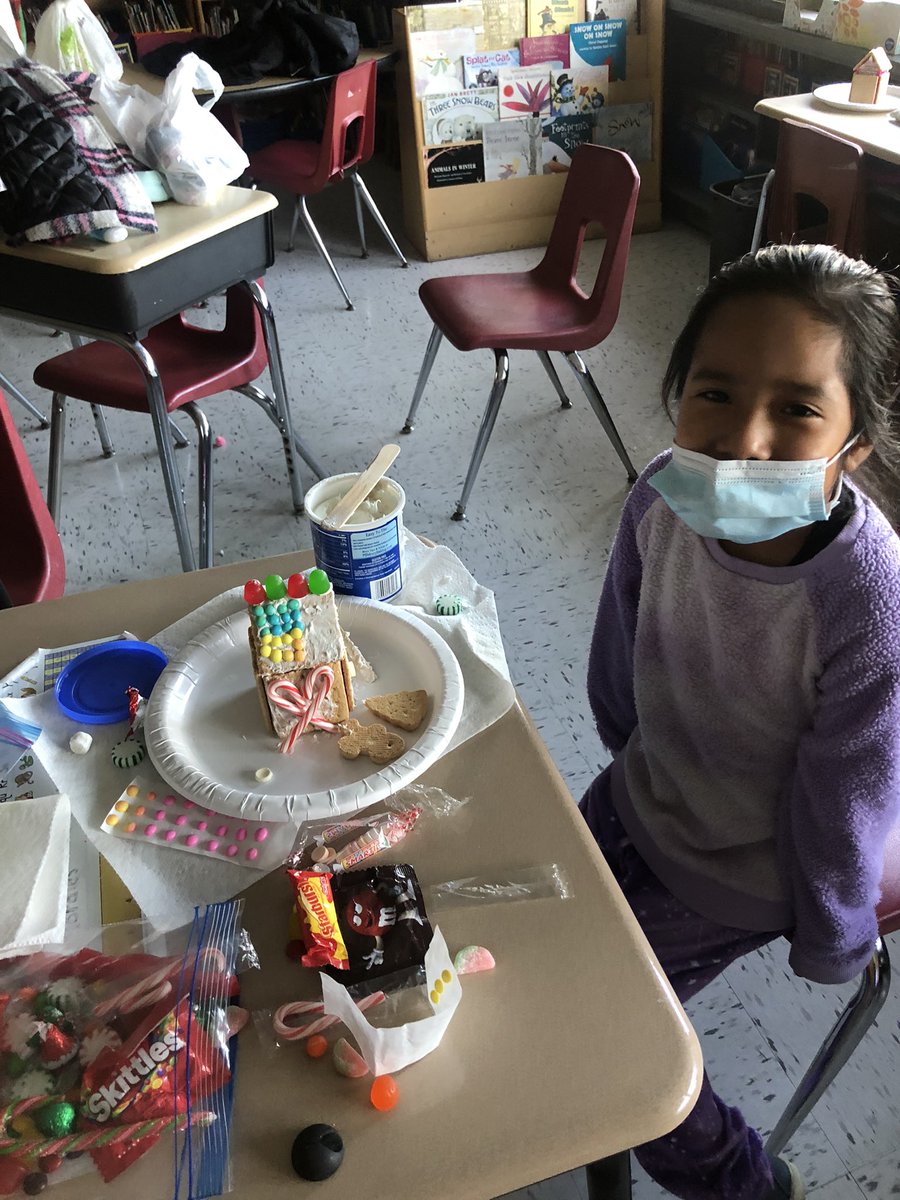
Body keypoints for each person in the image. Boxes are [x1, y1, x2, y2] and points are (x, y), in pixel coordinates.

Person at [580, 243, 900, 1200]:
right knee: (543, 937)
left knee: (618, 1047)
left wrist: (834, 935)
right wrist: (624, 748)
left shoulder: (866, 598)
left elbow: (850, 792)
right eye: (712, 394)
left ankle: (745, 1183)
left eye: (797, 409)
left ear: (854, 448)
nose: (741, 440)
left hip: (739, 867)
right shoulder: (659, 497)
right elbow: (620, 641)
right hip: (643, 792)